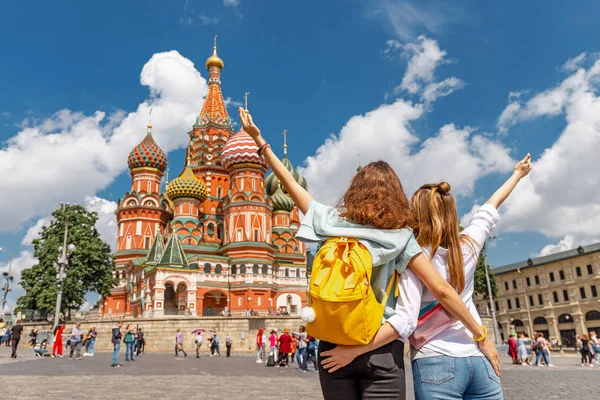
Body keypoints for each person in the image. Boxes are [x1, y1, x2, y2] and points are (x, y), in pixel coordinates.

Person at [238, 108, 500, 399]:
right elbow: (442, 290)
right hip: (380, 348)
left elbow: (290, 185)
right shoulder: (401, 238)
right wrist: (481, 335)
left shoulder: (332, 222)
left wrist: (260, 142)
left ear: (355, 191)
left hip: (332, 345)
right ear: (396, 196)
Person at [326, 157, 531, 399]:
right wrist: (517, 174)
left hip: (435, 359)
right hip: (478, 358)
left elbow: (406, 319)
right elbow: (491, 206)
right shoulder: (469, 246)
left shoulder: (413, 257)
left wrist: (354, 351)